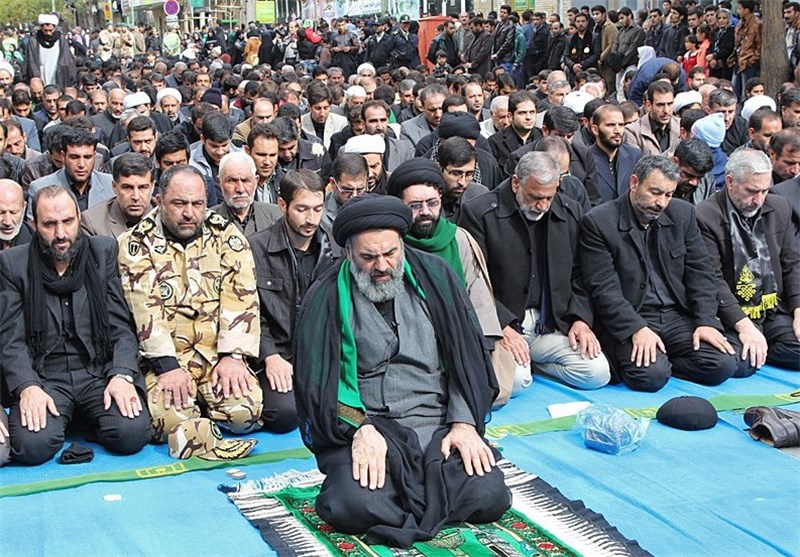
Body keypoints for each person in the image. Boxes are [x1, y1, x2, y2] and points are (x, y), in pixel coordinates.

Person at [293, 194, 511, 547]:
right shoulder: (327, 295)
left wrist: (463, 423)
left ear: (402, 245)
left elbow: (466, 361)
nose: (382, 265)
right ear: (348, 253)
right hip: (370, 424)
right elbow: (318, 384)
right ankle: (417, 490)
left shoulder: (437, 278)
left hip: (436, 421)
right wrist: (361, 428)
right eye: (368, 257)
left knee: (490, 495)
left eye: (390, 253)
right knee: (350, 505)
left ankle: (414, 490)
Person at [0, 185, 152, 465]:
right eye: (50, 224)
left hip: (97, 372)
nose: (61, 234)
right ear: (34, 225)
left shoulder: (102, 252)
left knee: (132, 434)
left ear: (79, 218)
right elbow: (11, 339)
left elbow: (121, 326)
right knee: (32, 447)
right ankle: (69, 419)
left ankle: (81, 420)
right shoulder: (13, 264)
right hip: (46, 376)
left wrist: (121, 375)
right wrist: (27, 387)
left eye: (68, 221)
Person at [117, 164, 264, 444]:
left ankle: (207, 407)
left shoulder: (227, 235)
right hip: (166, 357)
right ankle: (196, 409)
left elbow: (242, 297)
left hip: (216, 353)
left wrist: (233, 357)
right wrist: (168, 367)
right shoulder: (136, 243)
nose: (189, 213)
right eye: (179, 204)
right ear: (159, 201)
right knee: (170, 425)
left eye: (197, 204)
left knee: (245, 415)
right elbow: (145, 310)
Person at [579, 155, 739, 392]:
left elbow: (701, 272)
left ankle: (666, 360)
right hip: (635, 315)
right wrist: (636, 328)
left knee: (723, 365)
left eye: (668, 194)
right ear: (634, 183)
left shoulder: (683, 214)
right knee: (650, 377)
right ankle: (657, 361)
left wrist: (706, 321)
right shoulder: (599, 222)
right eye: (655, 192)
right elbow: (603, 289)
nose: (661, 203)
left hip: (676, 315)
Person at [461, 151, 610, 390]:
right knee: (515, 383)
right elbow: (473, 282)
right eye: (535, 197)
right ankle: (524, 367)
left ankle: (536, 366)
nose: (542, 206)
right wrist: (500, 326)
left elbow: (580, 273)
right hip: (506, 323)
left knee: (597, 373)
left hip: (551, 323)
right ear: (515, 183)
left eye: (549, 197)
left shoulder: (568, 211)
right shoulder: (480, 213)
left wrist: (580, 319)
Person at [248, 169, 342, 433]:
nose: (311, 219)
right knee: (285, 415)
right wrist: (269, 356)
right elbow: (250, 312)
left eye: (317, 209)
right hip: (280, 353)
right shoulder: (256, 248)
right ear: (282, 205)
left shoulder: (336, 247)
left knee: (343, 410)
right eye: (302, 209)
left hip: (323, 355)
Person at [696, 149, 800, 375]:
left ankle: (765, 346)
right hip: (733, 311)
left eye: (764, 190)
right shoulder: (705, 215)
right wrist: (744, 326)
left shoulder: (779, 206)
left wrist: (798, 310)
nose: (759, 200)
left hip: (773, 308)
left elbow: (792, 263)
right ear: (730, 182)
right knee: (741, 364)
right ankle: (760, 346)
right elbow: (713, 279)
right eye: (752, 191)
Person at [27, 128, 114, 220]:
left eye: (87, 157)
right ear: (63, 156)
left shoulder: (110, 184)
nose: (81, 164)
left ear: (94, 156)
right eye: (74, 157)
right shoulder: (40, 188)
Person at [81, 152, 154, 238]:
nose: (136, 197)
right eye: (127, 187)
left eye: (143, 187)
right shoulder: (92, 222)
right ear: (114, 187)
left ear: (152, 187)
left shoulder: (164, 215)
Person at [211, 151, 281, 236]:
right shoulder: (207, 220)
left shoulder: (277, 216)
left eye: (245, 181)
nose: (240, 189)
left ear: (256, 181)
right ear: (220, 182)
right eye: (232, 181)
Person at [589, 104, 643, 205]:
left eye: (621, 125)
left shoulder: (635, 155)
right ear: (595, 129)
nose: (617, 131)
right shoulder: (585, 159)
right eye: (610, 125)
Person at [624, 81, 680, 156]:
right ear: (648, 105)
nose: (666, 110)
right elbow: (636, 161)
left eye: (670, 104)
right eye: (660, 105)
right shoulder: (633, 132)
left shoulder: (681, 126)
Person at [23, 14, 77, 90]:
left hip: (57, 73)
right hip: (41, 72)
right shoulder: (34, 40)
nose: (48, 33)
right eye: (45, 30)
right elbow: (31, 61)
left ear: (55, 28)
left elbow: (66, 59)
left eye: (50, 30)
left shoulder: (61, 40)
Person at [322, 153, 369, 231]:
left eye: (360, 189)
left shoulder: (374, 209)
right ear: (333, 183)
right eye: (348, 190)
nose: (354, 195)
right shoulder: (320, 213)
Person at [300, 81, 348, 150]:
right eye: (318, 108)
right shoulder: (301, 124)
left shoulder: (341, 122)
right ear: (309, 107)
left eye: (326, 108)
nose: (322, 113)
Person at [670, 137, 715, 205]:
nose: (694, 183)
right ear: (674, 162)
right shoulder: (656, 184)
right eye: (688, 175)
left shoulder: (707, 181)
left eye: (700, 178)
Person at [0, 179, 32, 249]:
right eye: (1, 213)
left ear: (24, 208)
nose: (8, 222)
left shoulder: (36, 243)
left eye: (14, 213)